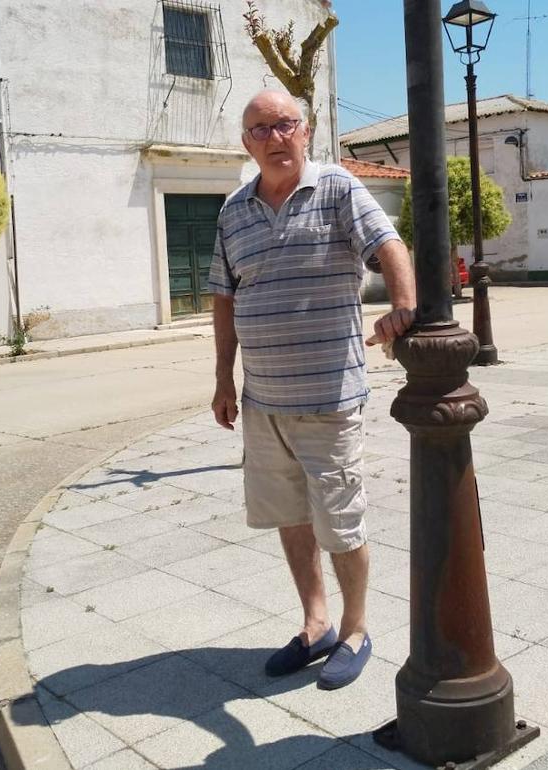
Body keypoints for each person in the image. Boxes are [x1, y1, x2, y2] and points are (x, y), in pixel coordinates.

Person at [208, 90, 416, 690]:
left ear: (306, 131)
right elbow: (225, 296)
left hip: (328, 399)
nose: (274, 138)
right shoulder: (232, 211)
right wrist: (223, 377)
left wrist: (404, 307)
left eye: (284, 125)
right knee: (290, 517)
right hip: (262, 401)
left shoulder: (339, 188)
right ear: (246, 143)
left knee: (340, 520)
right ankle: (315, 623)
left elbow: (388, 245)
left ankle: (355, 630)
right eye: (260, 130)